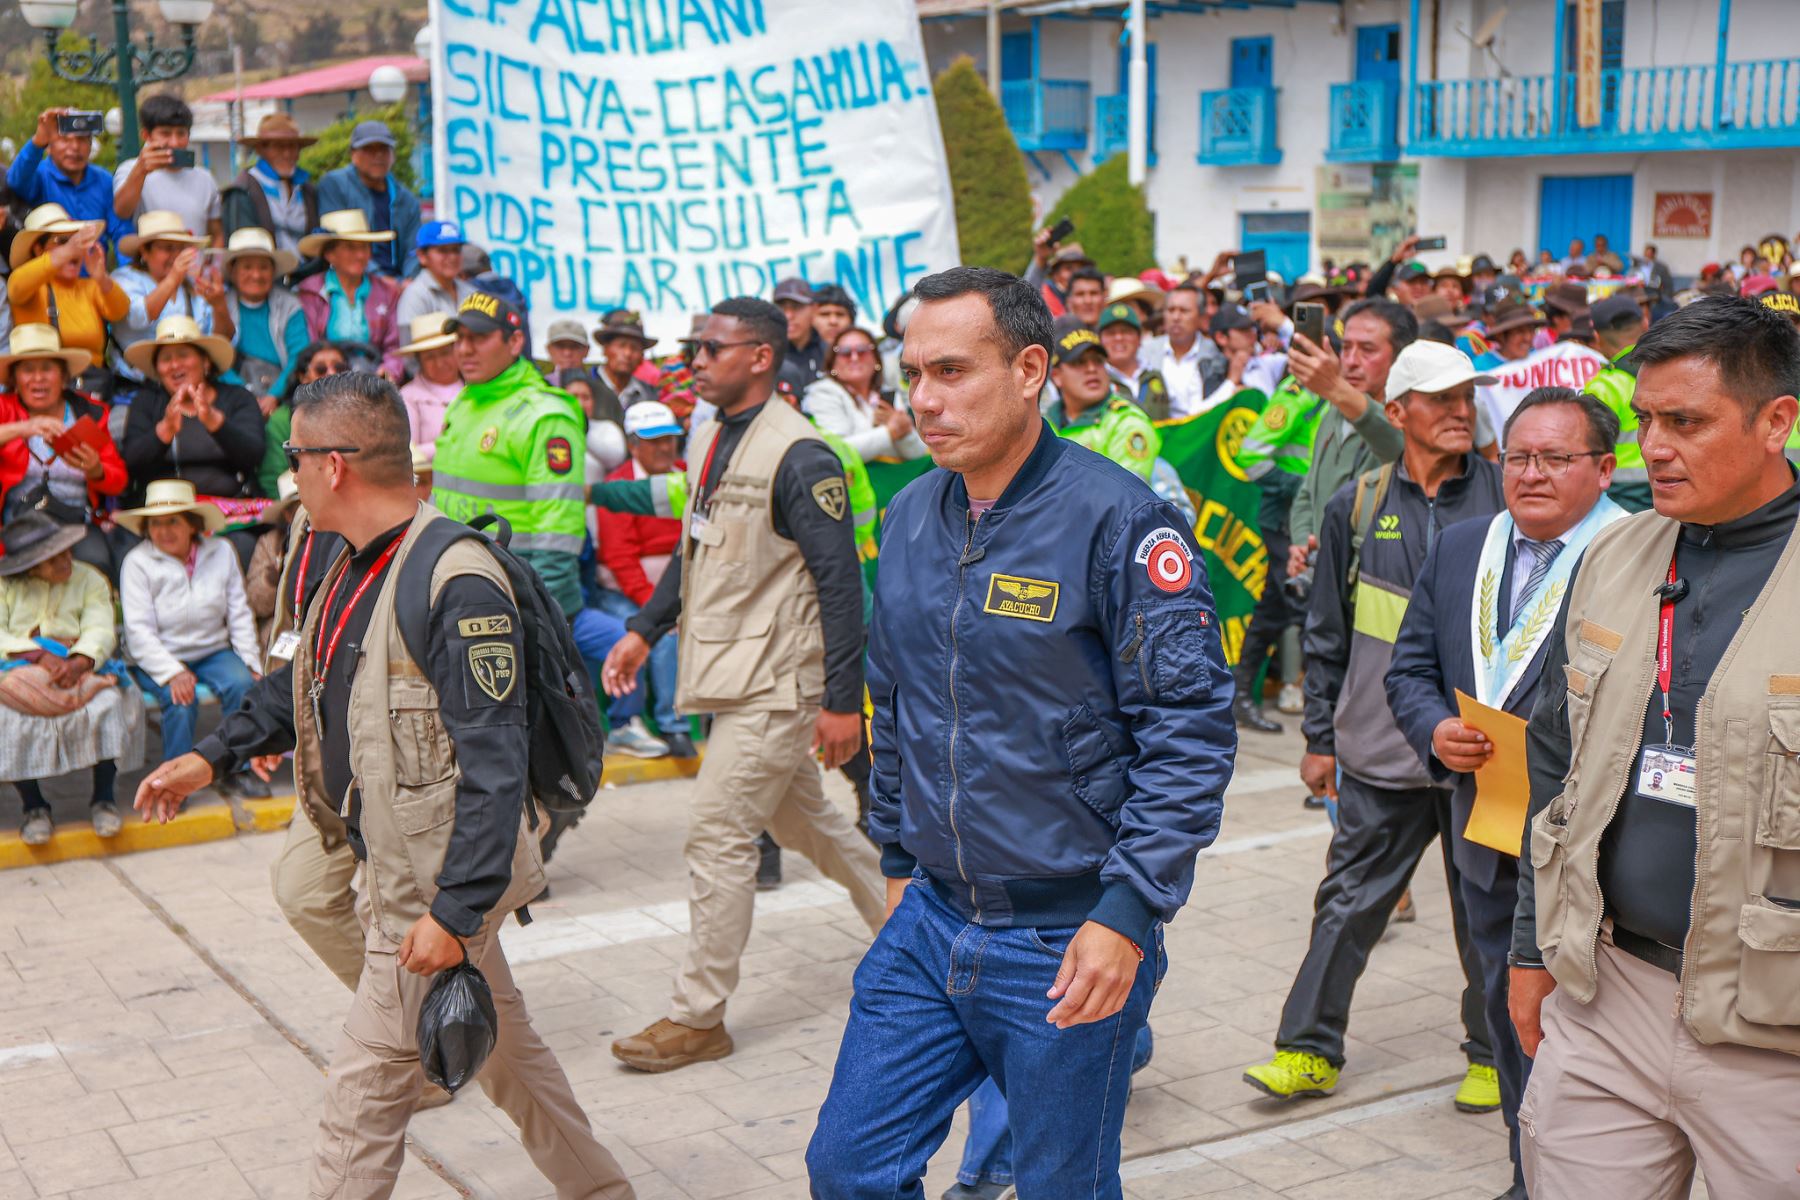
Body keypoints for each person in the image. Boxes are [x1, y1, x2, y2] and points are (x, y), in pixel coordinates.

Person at [133, 371, 635, 1198]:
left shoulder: (456, 583)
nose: (286, 471)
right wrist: (212, 757)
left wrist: (455, 912)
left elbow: (495, 767)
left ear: (333, 466)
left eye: (294, 455)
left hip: (428, 887)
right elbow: (301, 686)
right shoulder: (346, 562)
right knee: (512, 1059)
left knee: (359, 1105)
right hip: (398, 865)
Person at [805, 266, 1234, 1199]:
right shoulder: (911, 514)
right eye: (913, 374)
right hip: (931, 917)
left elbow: (1190, 730)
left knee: (1059, 1186)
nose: (924, 400)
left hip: (1066, 933)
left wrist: (1126, 913)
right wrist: (896, 855)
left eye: (952, 371)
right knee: (848, 1168)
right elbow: (896, 695)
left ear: (1031, 369)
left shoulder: (1122, 521)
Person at [1509, 297, 1800, 1197]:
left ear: (1776, 422)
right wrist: (1530, 950)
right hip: (1608, 996)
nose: (1654, 447)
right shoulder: (1614, 556)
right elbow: (1553, 768)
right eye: (1644, 420)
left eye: (1687, 422)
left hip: (1775, 1037)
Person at [601, 296, 884, 1071]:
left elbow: (840, 585)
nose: (696, 360)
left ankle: (699, 1017)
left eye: (712, 348)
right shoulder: (712, 437)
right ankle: (913, 935)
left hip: (780, 682)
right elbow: (695, 552)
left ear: (760, 357)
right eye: (696, 347)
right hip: (740, 673)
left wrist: (841, 702)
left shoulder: (802, 455)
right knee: (809, 825)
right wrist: (643, 629)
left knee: (718, 833)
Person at [1242, 341, 1506, 1111]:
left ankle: (1492, 1053)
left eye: (1467, 398)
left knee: (1486, 914)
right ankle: (1306, 1050)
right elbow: (1326, 633)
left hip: (1484, 751)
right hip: (1380, 750)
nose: (1460, 411)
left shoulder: (1506, 498)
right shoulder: (1355, 505)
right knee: (1348, 904)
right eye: (1442, 399)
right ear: (1397, 413)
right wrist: (1318, 740)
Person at [1385, 387, 1627, 1200]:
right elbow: (1409, 668)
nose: (1532, 474)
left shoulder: (1636, 555)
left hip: (1600, 850)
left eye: (1556, 458)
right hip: (1488, 831)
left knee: (1595, 1028)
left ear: (1604, 469)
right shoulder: (1463, 546)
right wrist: (1433, 729)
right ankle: (1529, 1178)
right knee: (1507, 1009)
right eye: (1518, 457)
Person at [432, 291, 587, 618]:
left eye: (479, 337)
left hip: (515, 594)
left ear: (515, 342)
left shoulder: (545, 415)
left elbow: (558, 537)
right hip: (459, 583)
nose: (464, 349)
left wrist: (539, 618)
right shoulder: (464, 401)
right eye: (460, 338)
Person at [0, 512, 143, 845]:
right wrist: (37, 656)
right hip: (18, 668)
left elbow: (100, 627)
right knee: (7, 718)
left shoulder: (90, 579)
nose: (66, 561)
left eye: (66, 552)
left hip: (82, 667)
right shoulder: (6, 586)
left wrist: (80, 660)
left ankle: (104, 798)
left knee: (109, 704)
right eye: (53, 559)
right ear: (30, 565)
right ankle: (34, 807)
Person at [117, 479, 262, 795]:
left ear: (192, 524)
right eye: (155, 524)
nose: (163, 531)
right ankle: (174, 781)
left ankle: (236, 769)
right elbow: (138, 631)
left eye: (173, 521)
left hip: (212, 650)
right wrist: (172, 672)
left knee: (242, 685)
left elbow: (239, 613)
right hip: (158, 655)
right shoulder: (137, 563)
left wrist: (251, 662)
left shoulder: (221, 552)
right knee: (181, 700)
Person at [1232, 368, 1331, 734]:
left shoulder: (1332, 392)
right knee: (1304, 607)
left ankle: (1239, 696)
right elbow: (1250, 454)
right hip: (1286, 521)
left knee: (1273, 610)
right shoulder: (1299, 394)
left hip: (1307, 519)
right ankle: (1326, 712)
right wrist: (1304, 488)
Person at [1284, 299, 1412, 576]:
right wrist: (1303, 543)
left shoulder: (1409, 420)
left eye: (1367, 350)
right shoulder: (1332, 413)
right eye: (1346, 347)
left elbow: (1398, 445)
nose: (1351, 361)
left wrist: (1336, 389)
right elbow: (1308, 493)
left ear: (1400, 358)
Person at [594, 401, 688, 758]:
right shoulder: (618, 485)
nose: (665, 448)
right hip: (627, 591)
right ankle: (672, 725)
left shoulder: (687, 474)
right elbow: (621, 560)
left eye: (669, 439)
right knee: (659, 635)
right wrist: (659, 607)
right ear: (633, 445)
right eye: (654, 441)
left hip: (681, 586)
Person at [0, 325, 128, 577]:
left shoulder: (90, 413)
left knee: (96, 564)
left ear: (64, 376)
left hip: (75, 523)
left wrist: (96, 470)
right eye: (28, 370)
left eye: (47, 368)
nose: (38, 378)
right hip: (18, 523)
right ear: (15, 379)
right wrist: (23, 428)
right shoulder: (5, 409)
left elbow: (118, 481)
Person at [122, 315, 268, 504]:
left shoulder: (237, 398)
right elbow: (131, 463)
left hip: (232, 509)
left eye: (183, 355)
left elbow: (254, 455)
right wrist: (165, 429)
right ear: (158, 370)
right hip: (164, 511)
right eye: (166, 359)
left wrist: (215, 422)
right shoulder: (146, 402)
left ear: (205, 362)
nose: (175, 365)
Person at [111, 212, 230, 394]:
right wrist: (173, 278)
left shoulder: (193, 286)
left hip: (190, 388)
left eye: (180, 248)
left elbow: (220, 340)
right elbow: (137, 317)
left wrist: (219, 305)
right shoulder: (125, 279)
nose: (175, 256)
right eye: (167, 248)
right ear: (144, 251)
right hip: (134, 388)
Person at [6, 204, 127, 370]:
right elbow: (15, 287)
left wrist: (101, 278)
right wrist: (69, 251)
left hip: (90, 382)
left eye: (78, 241)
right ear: (38, 250)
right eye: (63, 241)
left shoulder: (90, 286)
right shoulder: (30, 286)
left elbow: (120, 311)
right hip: (41, 379)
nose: (76, 249)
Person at [1045, 317, 1160, 482]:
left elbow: (1127, 494)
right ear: (1056, 376)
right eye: (1079, 362)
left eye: (1098, 361)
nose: (1092, 369)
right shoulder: (1043, 424)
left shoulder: (1126, 421)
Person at [295, 211, 403, 379]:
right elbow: (308, 348)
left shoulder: (387, 292)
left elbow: (394, 347)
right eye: (350, 248)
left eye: (364, 247)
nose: (360, 255)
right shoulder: (310, 292)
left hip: (373, 379)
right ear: (330, 254)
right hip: (326, 379)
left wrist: (387, 372)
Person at [5, 108, 131, 250]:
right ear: (49, 146)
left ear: (91, 145)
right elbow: (16, 180)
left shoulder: (103, 180)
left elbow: (120, 230)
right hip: (50, 262)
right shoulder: (39, 176)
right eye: (64, 139)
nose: (74, 147)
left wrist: (128, 263)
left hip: (95, 263)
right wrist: (37, 142)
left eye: (81, 139)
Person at [803, 325, 927, 461]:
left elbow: (918, 453)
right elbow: (836, 451)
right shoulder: (822, 393)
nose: (854, 358)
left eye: (862, 351)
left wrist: (906, 431)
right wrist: (889, 432)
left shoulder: (888, 394)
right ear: (833, 363)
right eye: (845, 352)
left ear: (876, 360)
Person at [111, 95, 222, 245]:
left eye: (181, 133)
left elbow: (216, 232)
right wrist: (141, 170)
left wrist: (213, 259)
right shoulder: (130, 169)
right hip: (148, 259)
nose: (174, 142)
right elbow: (122, 211)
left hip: (195, 260)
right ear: (146, 135)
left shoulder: (205, 178)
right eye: (165, 133)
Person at [315, 121, 421, 278]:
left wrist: (410, 280)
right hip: (350, 276)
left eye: (384, 149)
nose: (378, 155)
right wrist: (380, 279)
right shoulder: (335, 184)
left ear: (393, 155)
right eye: (369, 149)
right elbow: (336, 240)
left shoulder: (406, 199)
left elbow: (414, 249)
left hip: (400, 281)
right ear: (353, 154)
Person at [223, 227, 306, 416]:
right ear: (233, 271)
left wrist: (274, 395)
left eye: (263, 267)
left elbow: (298, 355)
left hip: (283, 392)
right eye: (247, 267)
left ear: (273, 271)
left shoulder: (290, 306)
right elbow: (217, 360)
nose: (256, 275)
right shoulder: (221, 305)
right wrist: (245, 395)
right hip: (235, 392)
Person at [1580, 293, 1651, 513]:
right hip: (1670, 489)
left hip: (1618, 500)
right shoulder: (1670, 371)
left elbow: (1585, 450)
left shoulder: (1603, 387)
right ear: (1645, 324)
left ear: (1596, 337)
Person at [220, 113, 319, 256]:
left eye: (293, 146)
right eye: (278, 147)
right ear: (260, 149)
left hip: (306, 269)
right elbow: (245, 253)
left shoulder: (307, 190)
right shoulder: (242, 191)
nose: (287, 154)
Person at [262, 341, 349, 497]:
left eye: (339, 367)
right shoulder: (282, 420)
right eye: (321, 369)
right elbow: (272, 480)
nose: (331, 373)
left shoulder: (360, 414)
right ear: (303, 377)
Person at [1140, 284, 1222, 418]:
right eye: (1170, 310)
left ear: (1201, 316)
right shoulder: (1145, 352)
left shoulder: (1216, 354)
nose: (1176, 317)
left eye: (1184, 311)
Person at [396, 314, 459, 458]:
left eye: (445, 353)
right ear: (419, 360)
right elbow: (407, 454)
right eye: (430, 357)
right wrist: (450, 443)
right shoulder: (408, 396)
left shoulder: (475, 387)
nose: (439, 363)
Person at [395, 220, 474, 329]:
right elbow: (407, 338)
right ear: (422, 256)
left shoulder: (470, 292)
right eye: (443, 250)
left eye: (456, 250)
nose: (452, 257)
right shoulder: (415, 296)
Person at [1097, 301, 1169, 418]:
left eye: (1126, 331)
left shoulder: (1155, 376)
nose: (1119, 338)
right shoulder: (1096, 380)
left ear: (1139, 338)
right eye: (1111, 333)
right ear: (1100, 341)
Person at [592, 309, 657, 411]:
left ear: (642, 356)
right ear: (605, 349)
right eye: (621, 346)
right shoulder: (585, 388)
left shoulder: (649, 395)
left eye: (635, 348)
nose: (627, 354)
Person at [773, 277, 826, 388]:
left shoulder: (830, 352)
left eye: (797, 307)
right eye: (781, 308)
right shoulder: (765, 355)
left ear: (814, 309)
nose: (788, 316)